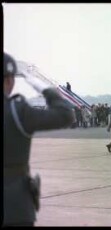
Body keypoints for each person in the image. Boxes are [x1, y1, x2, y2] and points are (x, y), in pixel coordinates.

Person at [3, 52, 74, 227]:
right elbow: (66, 114)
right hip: (15, 209)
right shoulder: (17, 110)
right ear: (10, 80)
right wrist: (44, 89)